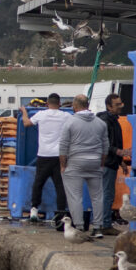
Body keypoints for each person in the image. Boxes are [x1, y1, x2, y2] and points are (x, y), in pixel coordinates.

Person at [58, 94, 109, 237]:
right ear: (87, 105)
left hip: (75, 163)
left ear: (75, 106)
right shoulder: (100, 123)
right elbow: (106, 146)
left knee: (75, 196)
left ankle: (79, 227)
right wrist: (101, 164)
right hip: (95, 162)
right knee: (97, 196)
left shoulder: (70, 122)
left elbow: (63, 147)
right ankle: (98, 227)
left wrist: (63, 165)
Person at [20, 93, 69, 224]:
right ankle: (61, 213)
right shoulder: (65, 116)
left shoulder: (41, 114)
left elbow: (26, 123)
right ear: (59, 104)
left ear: (47, 103)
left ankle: (34, 210)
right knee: (60, 186)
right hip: (59, 157)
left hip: (43, 155)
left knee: (38, 183)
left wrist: (24, 111)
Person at [96, 93, 129, 234]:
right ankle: (104, 224)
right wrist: (118, 152)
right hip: (106, 163)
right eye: (117, 104)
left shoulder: (114, 120)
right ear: (109, 106)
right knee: (107, 194)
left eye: (121, 103)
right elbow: (104, 144)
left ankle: (102, 222)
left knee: (105, 193)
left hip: (111, 162)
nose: (120, 107)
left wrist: (120, 161)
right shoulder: (105, 121)